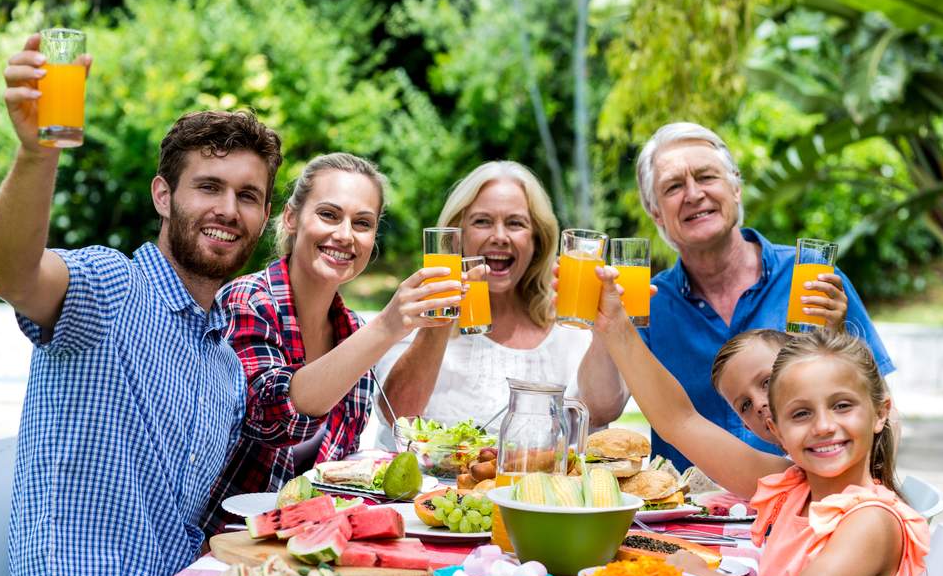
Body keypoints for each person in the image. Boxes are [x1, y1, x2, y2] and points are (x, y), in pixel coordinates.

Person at [0, 35, 283, 576]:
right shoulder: (111, 286)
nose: (228, 209)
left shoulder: (226, 364)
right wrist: (38, 154)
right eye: (209, 186)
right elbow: (9, 272)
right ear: (163, 195)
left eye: (247, 195)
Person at [590, 283, 928, 576]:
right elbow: (679, 421)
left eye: (842, 405)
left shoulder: (871, 521)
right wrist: (615, 326)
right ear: (777, 430)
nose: (824, 426)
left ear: (880, 414)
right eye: (800, 413)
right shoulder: (793, 485)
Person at [577, 121, 893, 469]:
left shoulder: (812, 279)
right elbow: (600, 409)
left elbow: (881, 411)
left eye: (706, 177)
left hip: (805, 497)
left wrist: (839, 338)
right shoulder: (646, 298)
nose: (694, 194)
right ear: (656, 214)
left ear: (736, 187)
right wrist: (603, 327)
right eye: (673, 187)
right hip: (690, 517)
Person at [201, 153, 461, 535]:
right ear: (291, 217)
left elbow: (338, 473)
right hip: (227, 542)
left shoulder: (353, 329)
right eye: (328, 215)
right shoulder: (248, 301)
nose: (344, 235)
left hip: (312, 545)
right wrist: (388, 326)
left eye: (362, 223)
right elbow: (272, 416)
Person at [376, 161, 590, 442]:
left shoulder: (568, 328)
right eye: (482, 221)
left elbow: (599, 418)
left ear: (537, 239)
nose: (499, 237)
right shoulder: (413, 310)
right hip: (432, 485)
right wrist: (443, 314)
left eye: (515, 223)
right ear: (457, 235)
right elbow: (397, 416)